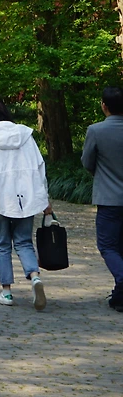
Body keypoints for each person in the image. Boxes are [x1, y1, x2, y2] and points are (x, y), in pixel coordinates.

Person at [0, 97, 53, 309]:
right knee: (24, 241)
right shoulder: (25, 134)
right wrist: (44, 198)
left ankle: (6, 292)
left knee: (2, 244)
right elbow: (39, 166)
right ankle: (34, 277)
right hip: (26, 195)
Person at [83, 87, 123, 312]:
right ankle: (119, 296)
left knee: (108, 246)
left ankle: (122, 281)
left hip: (109, 198)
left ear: (104, 106)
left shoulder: (96, 130)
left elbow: (87, 161)